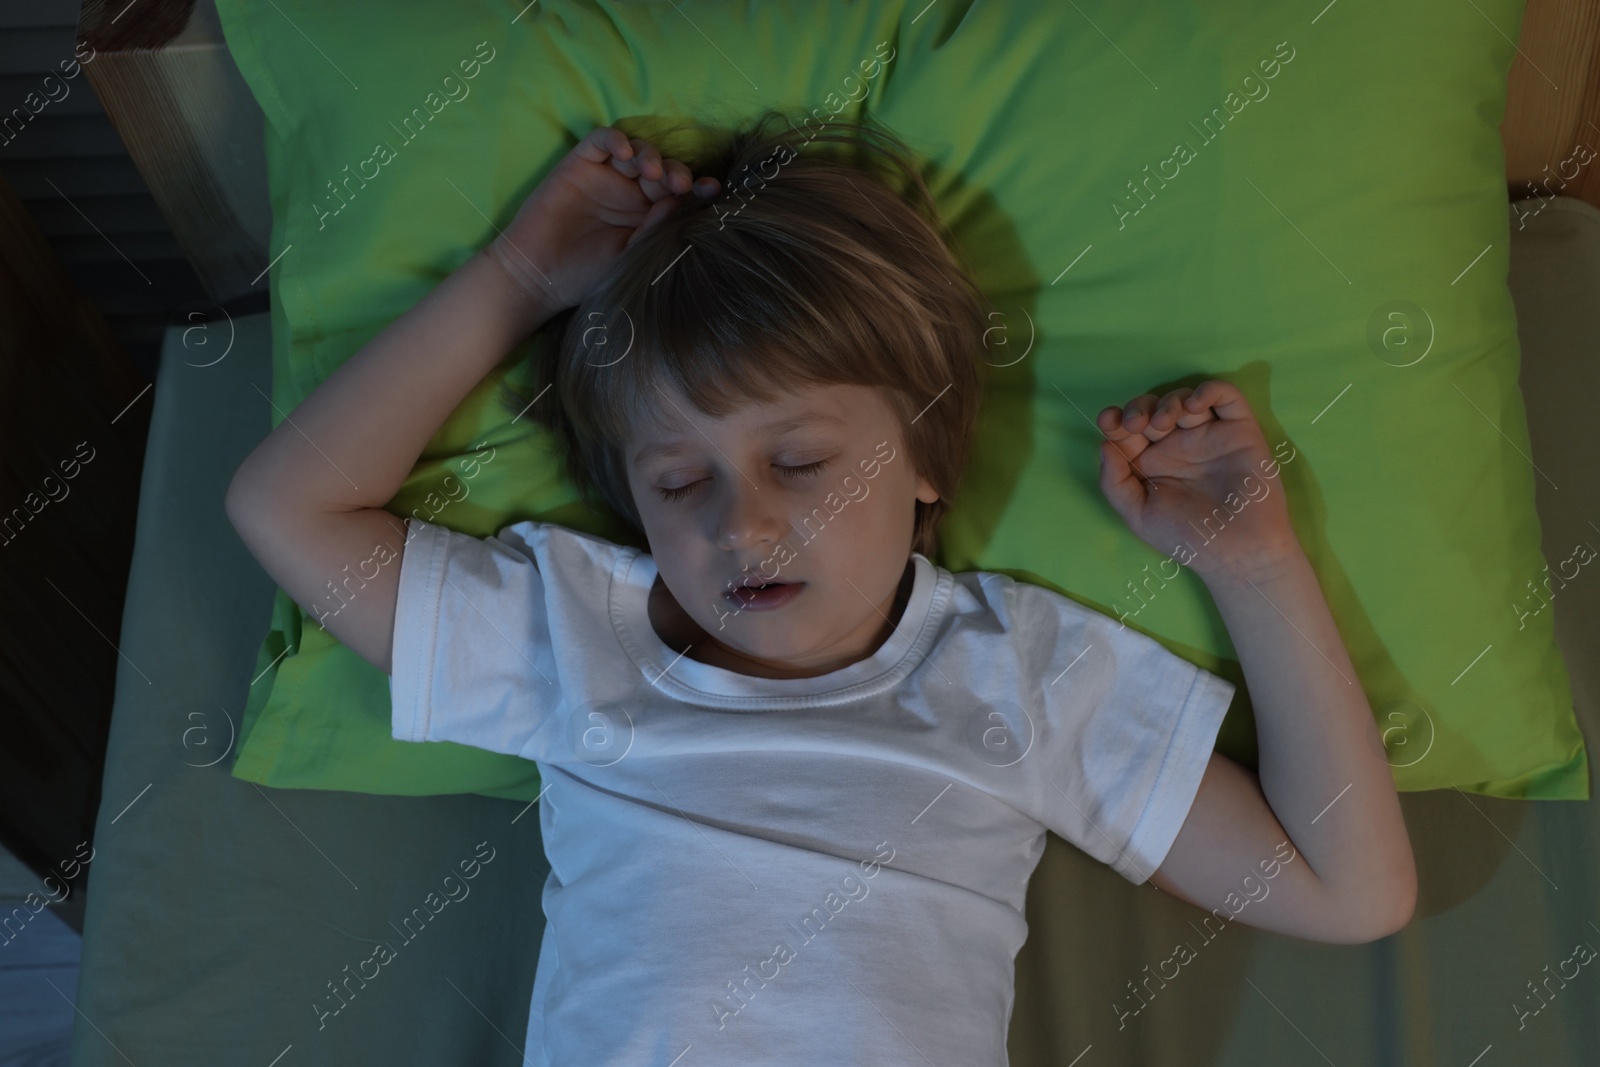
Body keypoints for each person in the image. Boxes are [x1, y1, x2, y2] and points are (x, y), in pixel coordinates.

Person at [224, 109, 1416, 1066]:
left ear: (930, 460)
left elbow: (1343, 889)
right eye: (678, 478)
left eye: (800, 462)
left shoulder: (1019, 672)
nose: (739, 521)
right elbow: (288, 506)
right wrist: (522, 273)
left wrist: (1251, 565)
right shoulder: (570, 637)